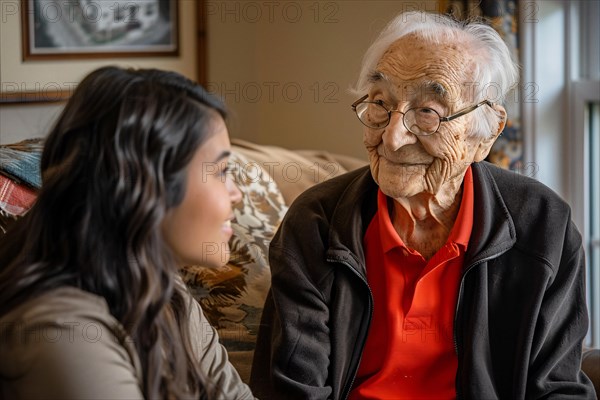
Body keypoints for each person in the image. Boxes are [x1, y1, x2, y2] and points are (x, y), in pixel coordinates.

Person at [250, 11, 596, 400]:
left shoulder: (543, 225)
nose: (393, 138)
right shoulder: (315, 223)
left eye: (428, 112)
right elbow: (294, 389)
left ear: (486, 134)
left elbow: (557, 388)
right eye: (380, 103)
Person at [0, 66, 255, 399]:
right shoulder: (62, 332)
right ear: (147, 187)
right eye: (221, 171)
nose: (237, 193)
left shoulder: (163, 287)